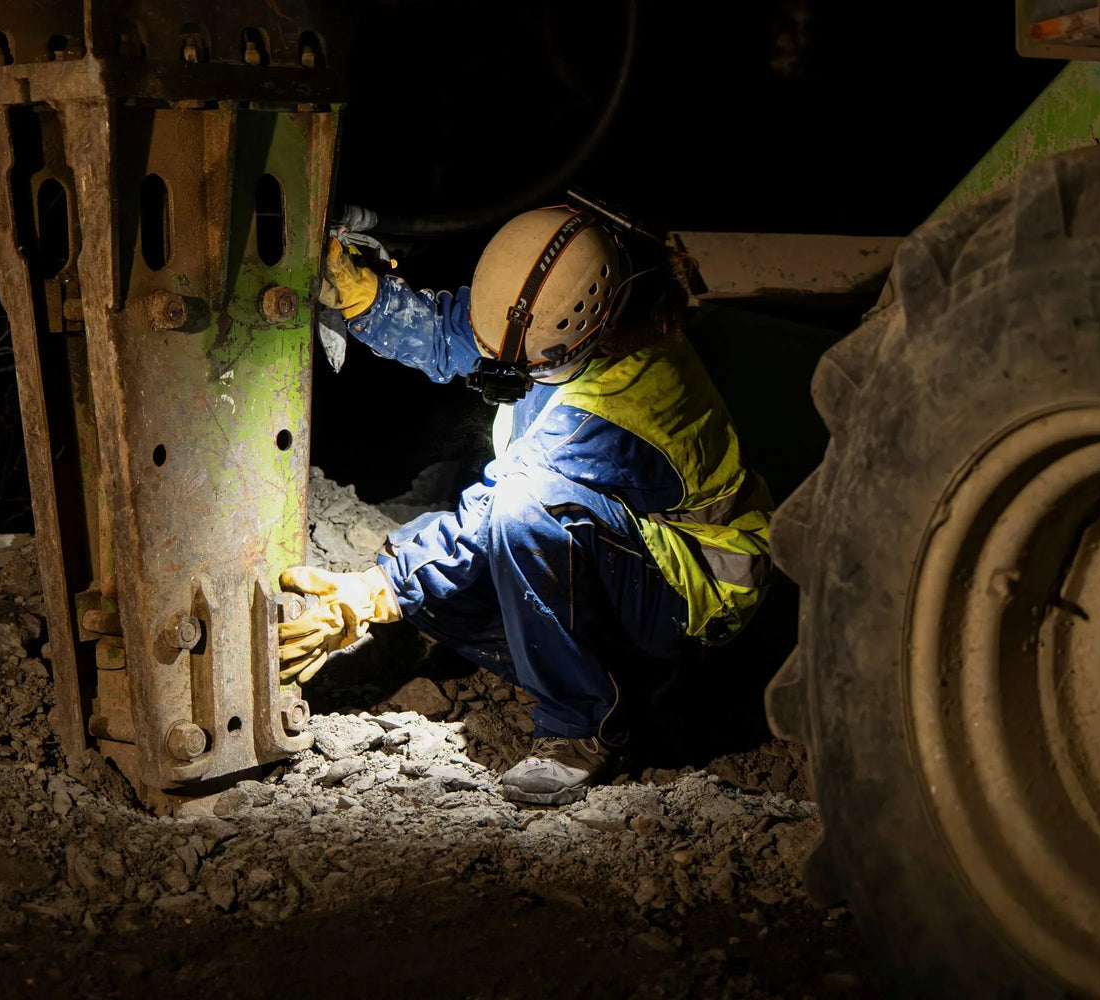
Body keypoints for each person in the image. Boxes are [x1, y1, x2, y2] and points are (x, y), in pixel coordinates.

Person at [277, 206, 772, 805]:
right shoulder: (572, 316)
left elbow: (494, 511)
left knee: (513, 515)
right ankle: (602, 671)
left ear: (581, 336)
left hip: (696, 589)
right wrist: (365, 296)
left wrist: (377, 589)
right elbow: (468, 335)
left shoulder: (614, 408)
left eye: (524, 367)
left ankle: (588, 725)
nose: (504, 371)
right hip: (623, 542)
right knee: (433, 579)